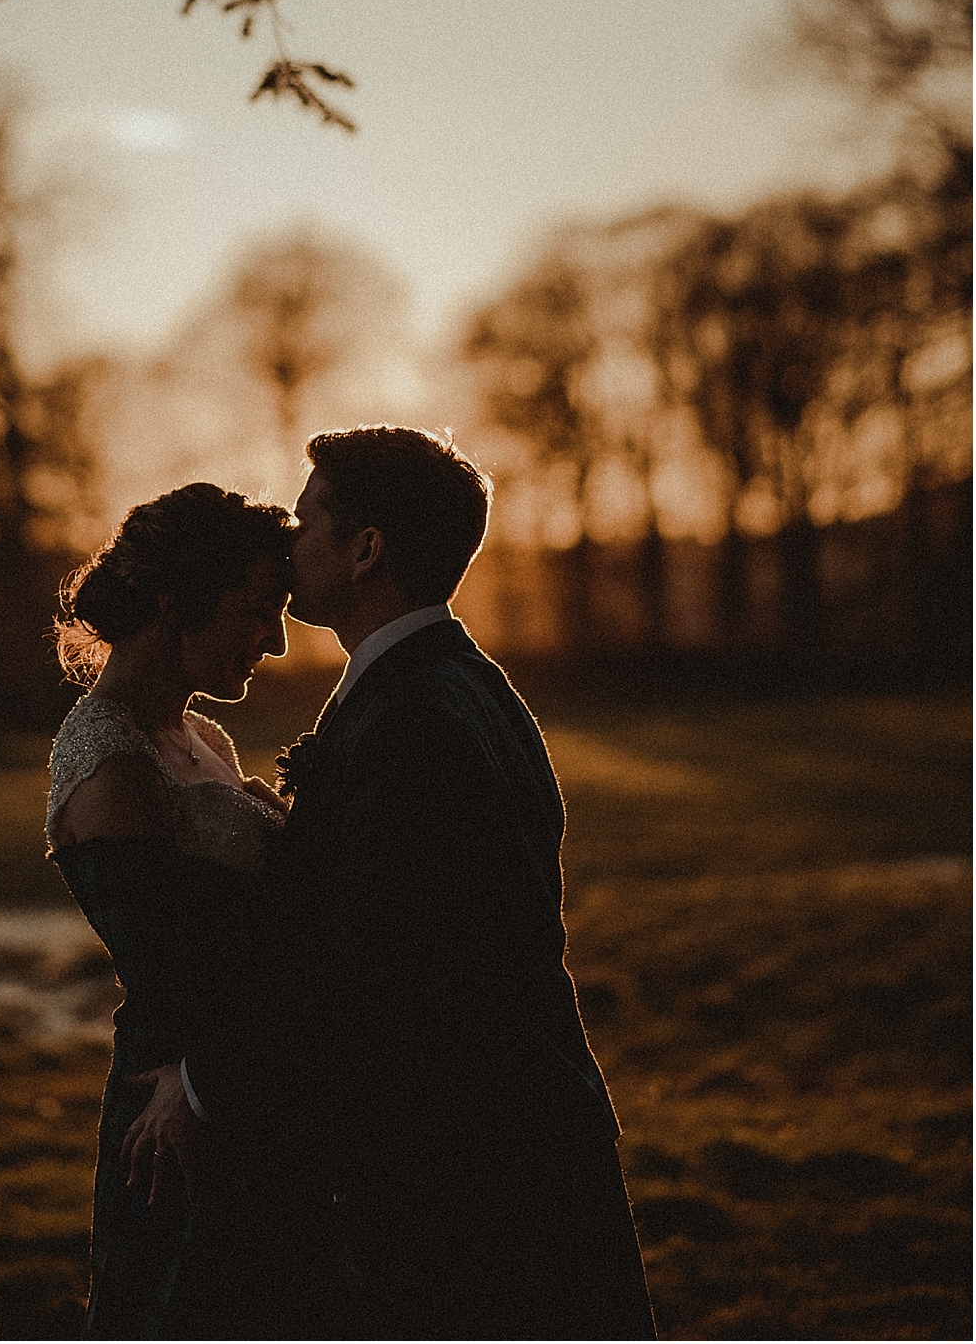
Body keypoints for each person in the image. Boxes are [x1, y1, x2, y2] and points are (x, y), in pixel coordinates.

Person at [124, 426, 657, 1341]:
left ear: (365, 548)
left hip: (469, 1165)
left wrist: (203, 1082)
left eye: (306, 520)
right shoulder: (460, 686)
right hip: (509, 1138)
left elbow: (368, 967)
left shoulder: (415, 719)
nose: (288, 546)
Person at [45, 482, 303, 1338]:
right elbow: (180, 966)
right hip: (177, 1108)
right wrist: (198, 1086)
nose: (274, 638)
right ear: (170, 601)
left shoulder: (204, 740)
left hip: (238, 1076)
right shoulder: (111, 763)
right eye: (258, 609)